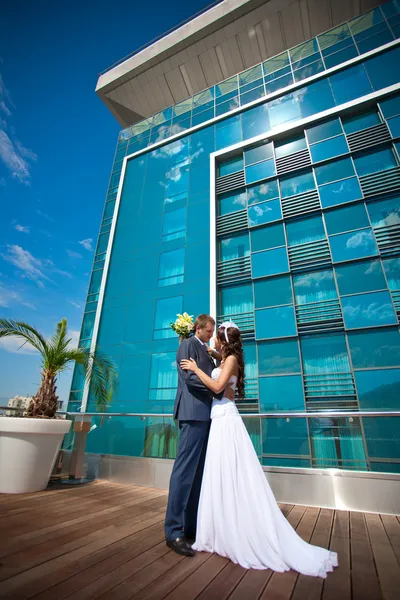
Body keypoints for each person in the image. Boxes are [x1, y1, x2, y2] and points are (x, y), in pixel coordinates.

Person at [180, 321, 338, 578]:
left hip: (225, 419)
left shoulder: (230, 360)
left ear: (223, 339)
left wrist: (197, 369)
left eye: (216, 337)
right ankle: (220, 526)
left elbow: (218, 388)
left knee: (231, 471)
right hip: (218, 418)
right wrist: (210, 354)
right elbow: (223, 363)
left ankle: (235, 528)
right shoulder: (227, 357)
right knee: (220, 472)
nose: (213, 341)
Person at [164, 314, 234, 557]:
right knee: (184, 472)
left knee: (198, 475)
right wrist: (217, 392)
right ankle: (173, 531)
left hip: (207, 417)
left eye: (213, 331)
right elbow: (190, 379)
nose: (211, 335)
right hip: (193, 414)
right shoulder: (187, 345)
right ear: (198, 328)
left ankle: (191, 527)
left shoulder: (205, 350)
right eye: (208, 331)